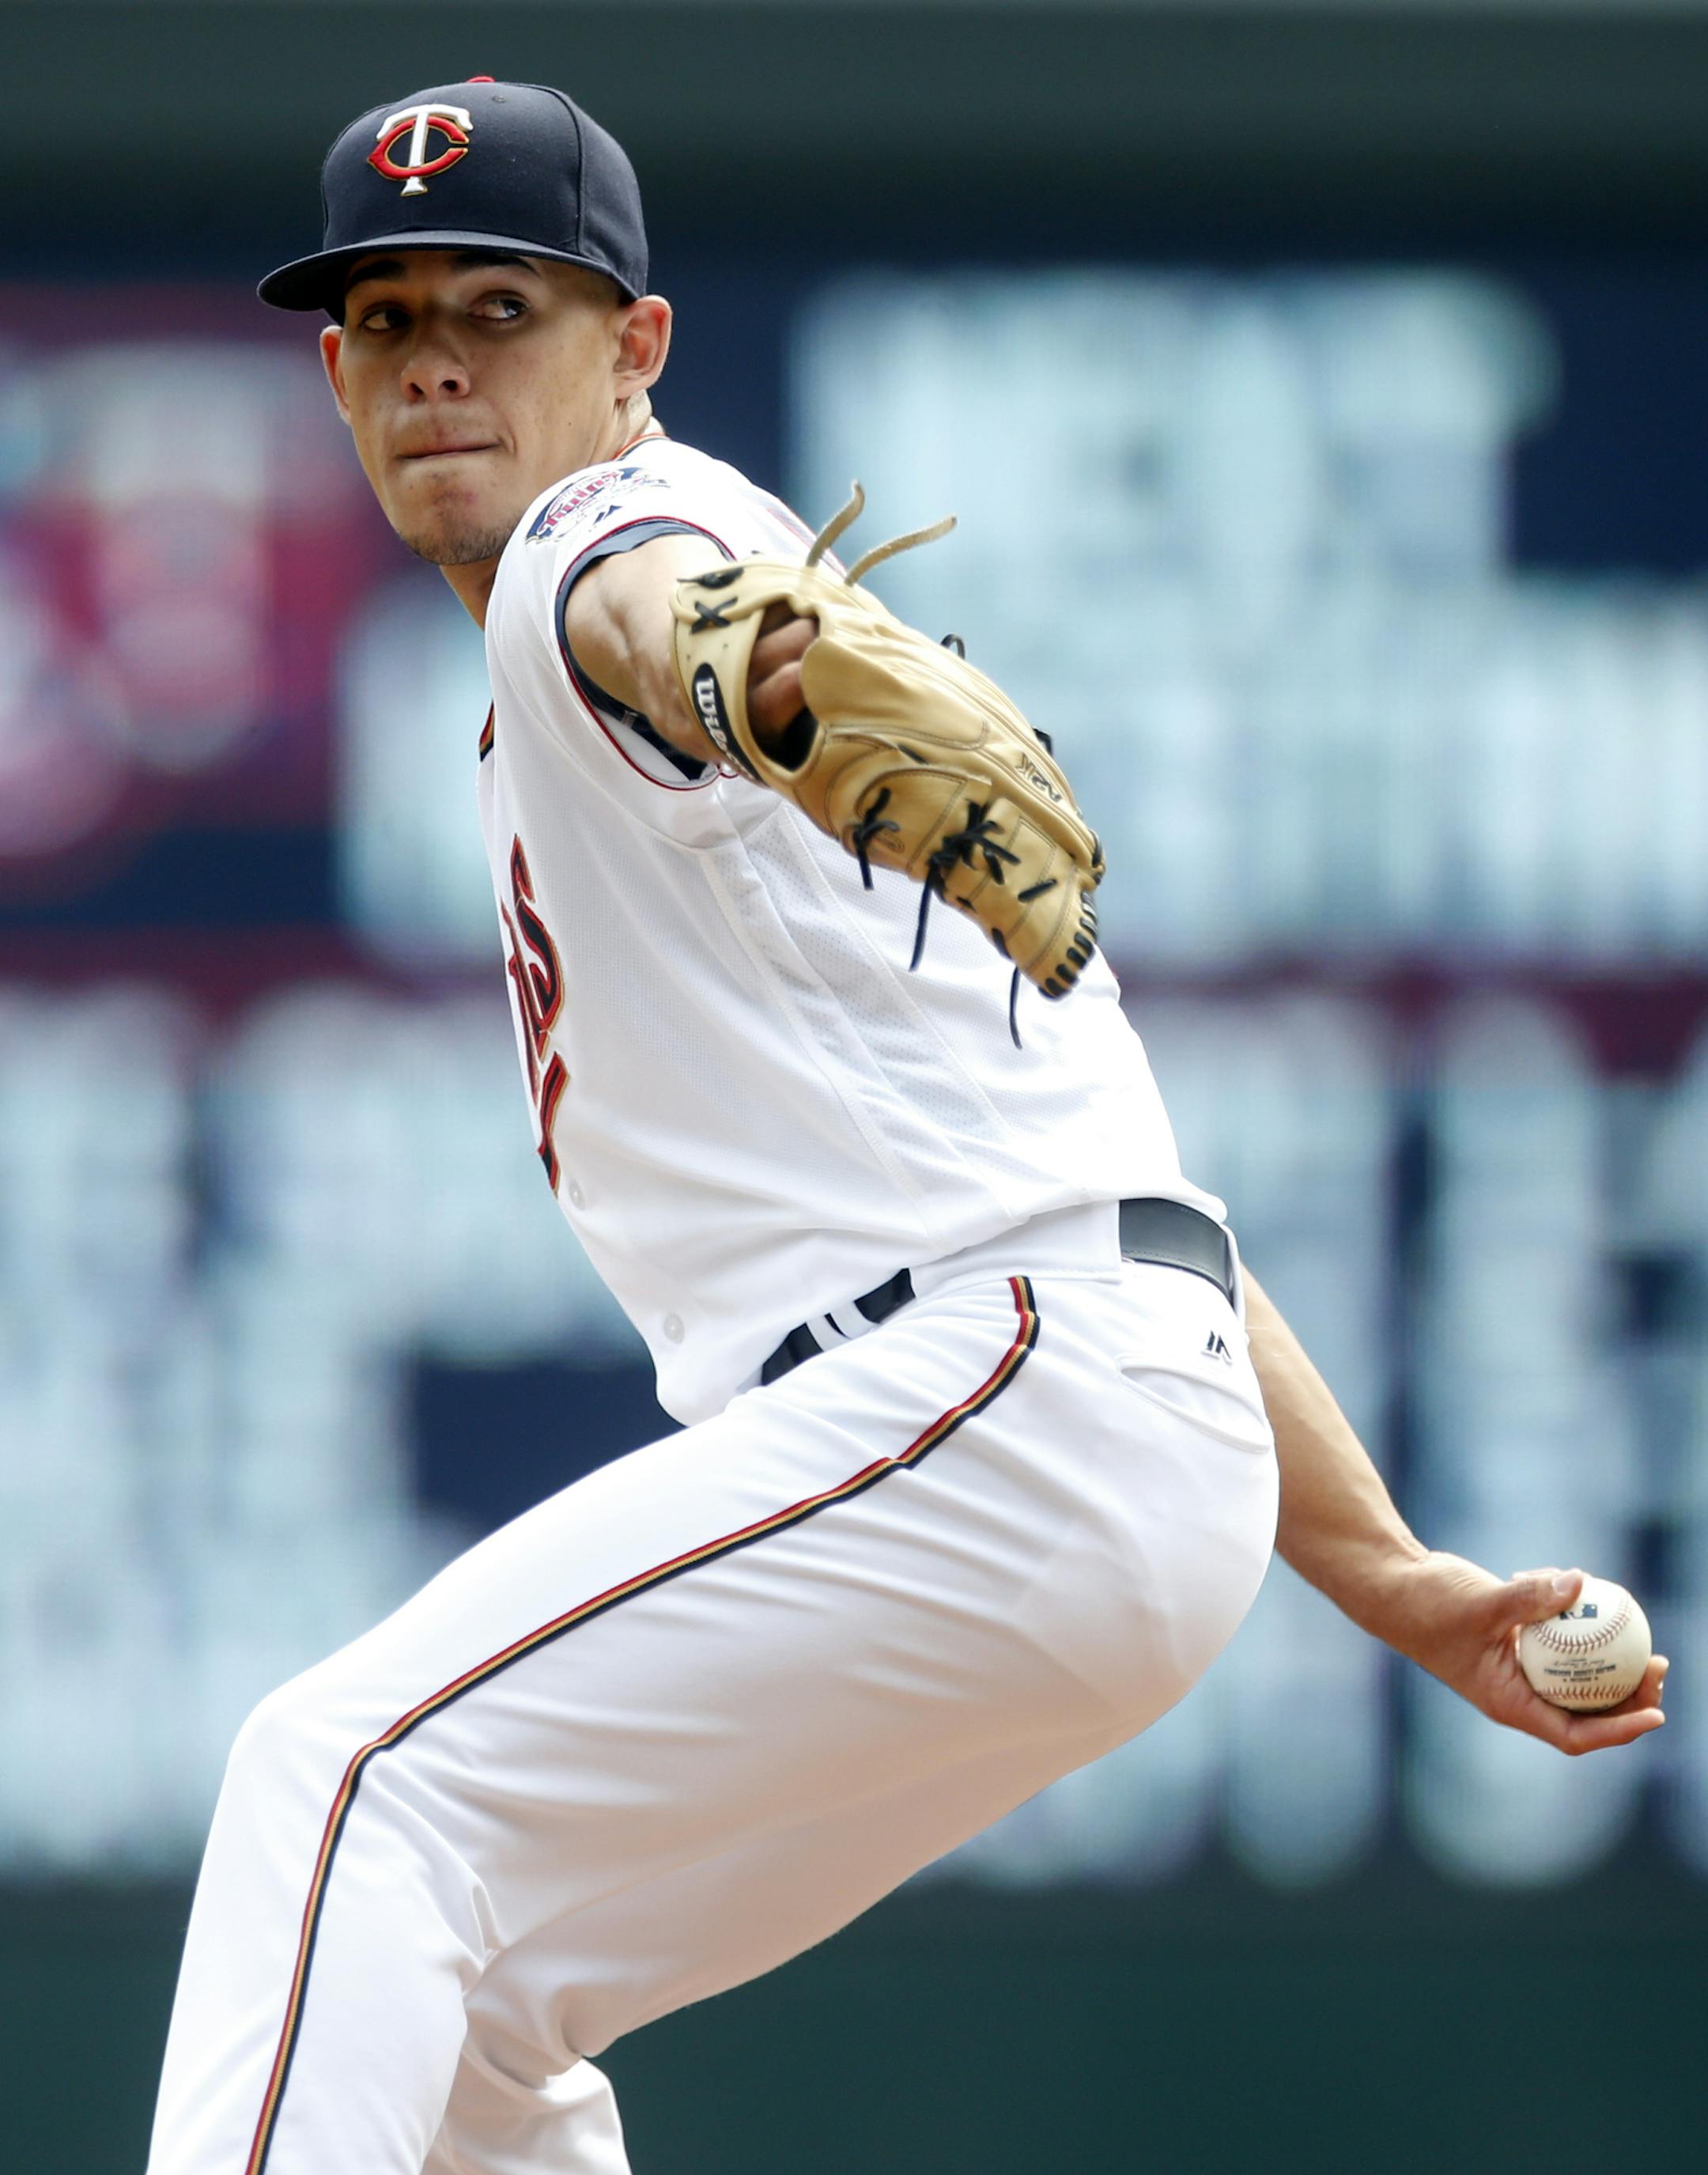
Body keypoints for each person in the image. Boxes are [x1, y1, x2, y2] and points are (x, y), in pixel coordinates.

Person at [147, 78, 1668, 2175]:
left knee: (343, 1787)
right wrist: (1398, 1579)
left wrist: (759, 672)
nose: (435, 362)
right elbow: (1150, 1211)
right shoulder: (652, 647)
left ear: (635, 349)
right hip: (1082, 1421)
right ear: (334, 376)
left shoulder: (601, 548)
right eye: (388, 320)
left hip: (990, 1401)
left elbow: (663, 611)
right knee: (468, 2003)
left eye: (498, 308)